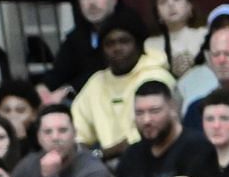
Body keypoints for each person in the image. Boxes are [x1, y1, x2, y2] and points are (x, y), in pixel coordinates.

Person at [112, 83, 215, 177]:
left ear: (172, 108)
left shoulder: (197, 147)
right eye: (139, 113)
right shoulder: (131, 154)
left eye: (154, 111)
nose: (146, 120)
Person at [71, 16, 179, 159]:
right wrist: (85, 158)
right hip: (104, 165)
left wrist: (102, 154)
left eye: (124, 41)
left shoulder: (156, 76)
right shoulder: (96, 82)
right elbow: (77, 133)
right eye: (109, 44)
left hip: (153, 157)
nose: (117, 48)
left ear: (139, 46)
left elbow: (148, 134)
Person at [39, 0, 137, 104]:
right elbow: (60, 69)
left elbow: (105, 71)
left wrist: (69, 89)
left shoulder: (128, 27)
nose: (92, 2)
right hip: (84, 99)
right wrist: (43, 88)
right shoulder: (80, 32)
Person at [146, 0, 207, 79]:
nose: (170, 4)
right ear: (157, 12)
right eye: (163, 2)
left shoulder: (205, 35)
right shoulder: (149, 45)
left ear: (189, 6)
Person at [0, 79, 42, 149]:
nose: (13, 116)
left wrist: (22, 140)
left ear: (34, 114)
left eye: (20, 110)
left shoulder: (42, 140)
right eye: (6, 111)